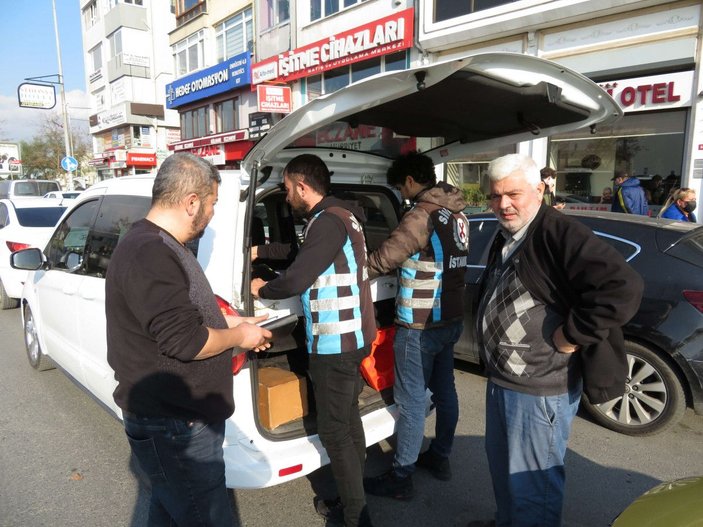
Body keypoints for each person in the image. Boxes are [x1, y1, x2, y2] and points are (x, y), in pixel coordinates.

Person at [469, 154, 643, 527]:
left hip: (539, 387)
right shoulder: (511, 233)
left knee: (533, 487)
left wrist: (571, 334)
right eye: (495, 196)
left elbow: (622, 287)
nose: (503, 204)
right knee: (505, 474)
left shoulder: (556, 231)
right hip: (504, 380)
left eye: (513, 194)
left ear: (539, 189)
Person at [105, 152, 273, 527]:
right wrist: (239, 335)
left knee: (168, 511)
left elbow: (179, 317)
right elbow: (186, 342)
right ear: (191, 201)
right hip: (176, 427)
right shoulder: (151, 252)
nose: (212, 213)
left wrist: (231, 320)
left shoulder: (160, 244)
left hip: (177, 423)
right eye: (212, 203)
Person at [251, 154, 376, 527]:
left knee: (335, 431)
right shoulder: (340, 216)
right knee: (349, 420)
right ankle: (358, 498)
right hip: (355, 337)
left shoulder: (325, 223)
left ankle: (356, 516)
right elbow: (301, 254)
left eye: (288, 189)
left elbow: (295, 278)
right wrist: (259, 251)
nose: (287, 195)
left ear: (302, 187)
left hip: (335, 344)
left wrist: (262, 288)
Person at [362, 152, 469, 500]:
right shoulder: (458, 213)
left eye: (399, 186)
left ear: (409, 181)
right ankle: (440, 458)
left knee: (410, 402)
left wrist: (352, 272)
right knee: (445, 391)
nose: (401, 192)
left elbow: (386, 257)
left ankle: (401, 476)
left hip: (420, 323)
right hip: (450, 318)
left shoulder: (421, 215)